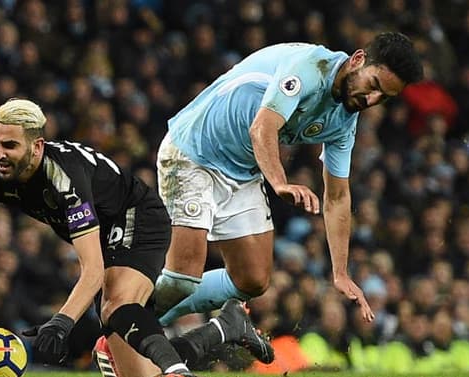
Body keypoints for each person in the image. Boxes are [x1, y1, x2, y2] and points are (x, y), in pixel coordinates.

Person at [0, 98, 271, 377]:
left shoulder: (64, 179)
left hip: (138, 215)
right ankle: (225, 327)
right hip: (105, 231)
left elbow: (93, 270)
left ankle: (179, 374)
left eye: (10, 146)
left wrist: (62, 322)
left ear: (36, 147)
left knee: (115, 302)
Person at [154, 32, 423, 326]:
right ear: (358, 60)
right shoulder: (309, 68)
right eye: (373, 85)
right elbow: (262, 128)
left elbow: (337, 196)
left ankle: (138, 319)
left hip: (242, 169)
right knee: (183, 278)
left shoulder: (344, 121)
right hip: (194, 151)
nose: (372, 100)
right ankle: (126, 319)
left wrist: (340, 272)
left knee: (253, 279)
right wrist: (280, 183)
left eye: (384, 97)